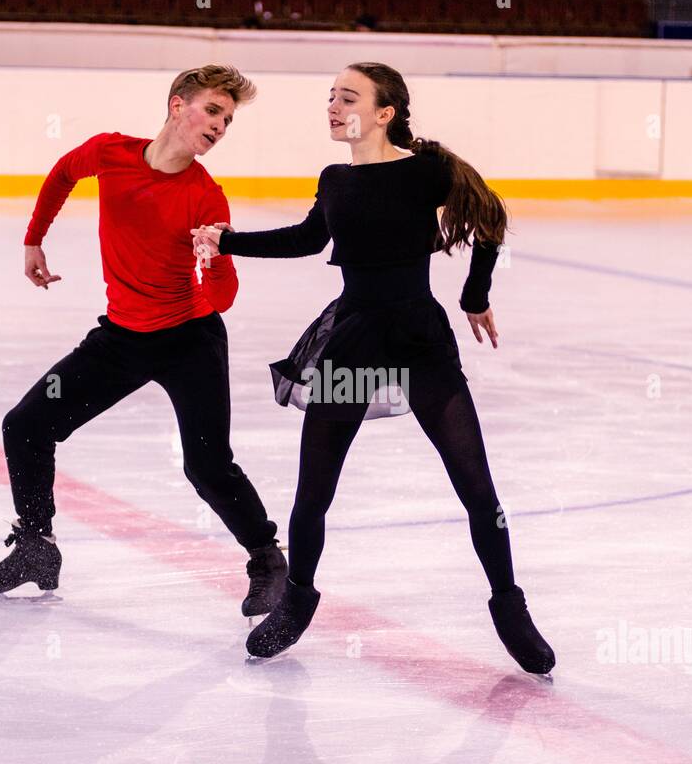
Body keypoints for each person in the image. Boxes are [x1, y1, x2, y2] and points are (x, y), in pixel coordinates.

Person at [192, 62, 555, 674]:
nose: (333, 106)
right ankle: (298, 598)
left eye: (349, 98)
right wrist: (228, 240)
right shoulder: (334, 179)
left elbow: (489, 217)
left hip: (420, 341)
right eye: (330, 96)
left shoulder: (427, 171)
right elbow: (306, 239)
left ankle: (509, 605)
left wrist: (474, 294)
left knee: (477, 489)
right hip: (353, 342)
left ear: (385, 113)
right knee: (314, 492)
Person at [0, 64, 288, 617]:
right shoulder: (111, 152)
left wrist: (217, 254)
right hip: (120, 338)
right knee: (26, 425)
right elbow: (64, 172)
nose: (220, 126)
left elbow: (222, 300)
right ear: (176, 104)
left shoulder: (206, 196)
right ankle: (35, 547)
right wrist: (34, 240)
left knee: (207, 466)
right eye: (213, 111)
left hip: (189, 339)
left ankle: (268, 560)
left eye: (228, 121)